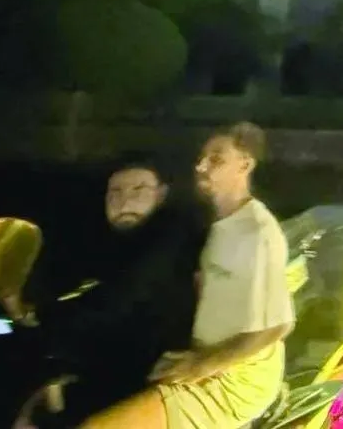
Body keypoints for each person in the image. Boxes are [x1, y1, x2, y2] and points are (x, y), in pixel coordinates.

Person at [81, 123, 294, 429]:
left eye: (216, 159)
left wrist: (200, 366)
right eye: (202, 158)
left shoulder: (257, 231)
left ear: (244, 165)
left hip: (234, 380)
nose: (201, 166)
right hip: (204, 362)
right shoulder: (218, 225)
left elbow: (276, 326)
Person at [18, 157, 201, 427]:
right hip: (112, 374)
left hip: (151, 382)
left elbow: (119, 299)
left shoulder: (171, 236)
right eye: (115, 192)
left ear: (161, 195)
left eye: (138, 190)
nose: (124, 201)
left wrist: (43, 317)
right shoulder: (110, 247)